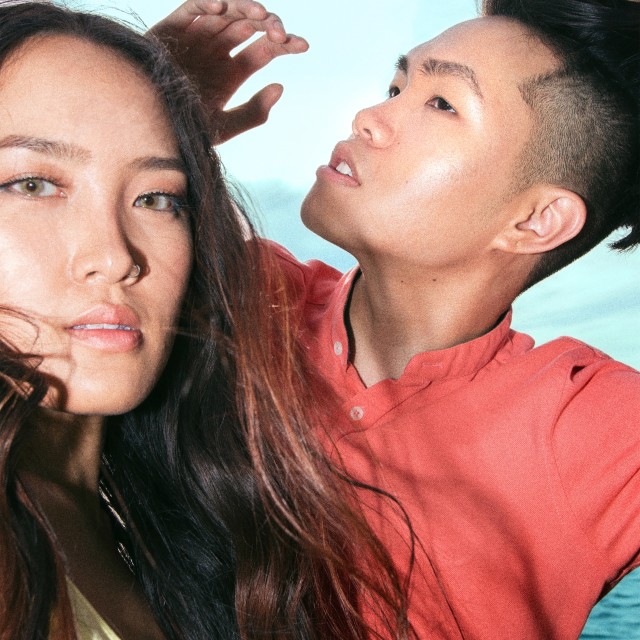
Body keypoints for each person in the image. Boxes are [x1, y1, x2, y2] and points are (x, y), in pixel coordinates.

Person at [160, 0, 640, 637]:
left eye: (441, 103)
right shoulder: (240, 294)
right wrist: (152, 115)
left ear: (534, 221)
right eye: (395, 87)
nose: (368, 118)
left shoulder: (589, 428)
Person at [0, 3, 411, 639]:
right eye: (32, 186)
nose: (116, 256)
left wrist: (143, 110)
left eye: (157, 198)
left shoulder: (167, 520)